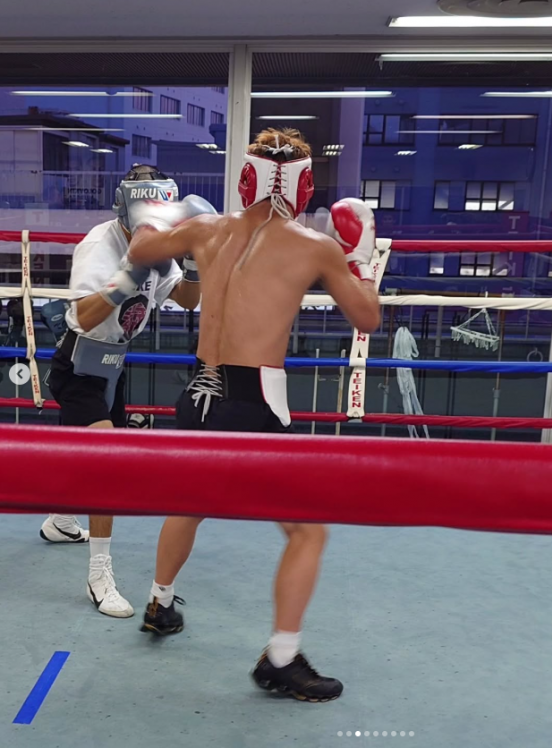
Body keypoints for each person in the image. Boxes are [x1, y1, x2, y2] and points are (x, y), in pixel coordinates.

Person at [128, 128, 380, 703]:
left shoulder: (205, 228)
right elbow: (367, 318)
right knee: (308, 530)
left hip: (199, 392)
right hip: (253, 401)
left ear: (246, 178)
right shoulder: (313, 246)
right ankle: (281, 660)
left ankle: (160, 604)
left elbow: (141, 250)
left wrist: (154, 213)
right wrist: (361, 259)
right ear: (305, 186)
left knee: (189, 502)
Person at [43, 164, 203, 617]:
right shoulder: (101, 245)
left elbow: (188, 299)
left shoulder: (160, 242)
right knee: (106, 466)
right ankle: (99, 575)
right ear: (127, 208)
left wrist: (194, 258)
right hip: (80, 365)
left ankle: (60, 519)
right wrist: (127, 278)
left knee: (83, 455)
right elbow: (83, 316)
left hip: (114, 363)